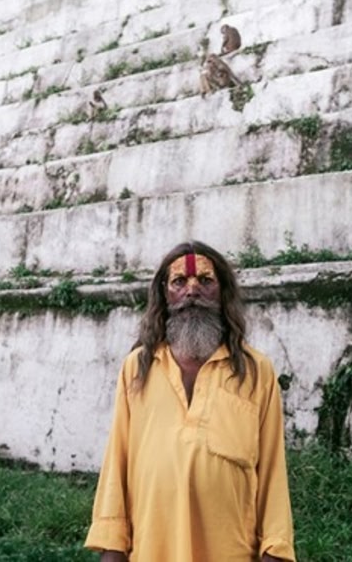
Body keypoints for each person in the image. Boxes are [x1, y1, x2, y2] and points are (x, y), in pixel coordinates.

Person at [84, 240, 296, 561]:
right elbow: (117, 460)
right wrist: (112, 546)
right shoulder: (137, 368)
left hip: (230, 551)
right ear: (165, 294)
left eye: (205, 281)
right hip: (153, 549)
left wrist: (275, 548)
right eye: (179, 281)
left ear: (222, 293)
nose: (192, 291)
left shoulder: (256, 371)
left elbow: (272, 468)